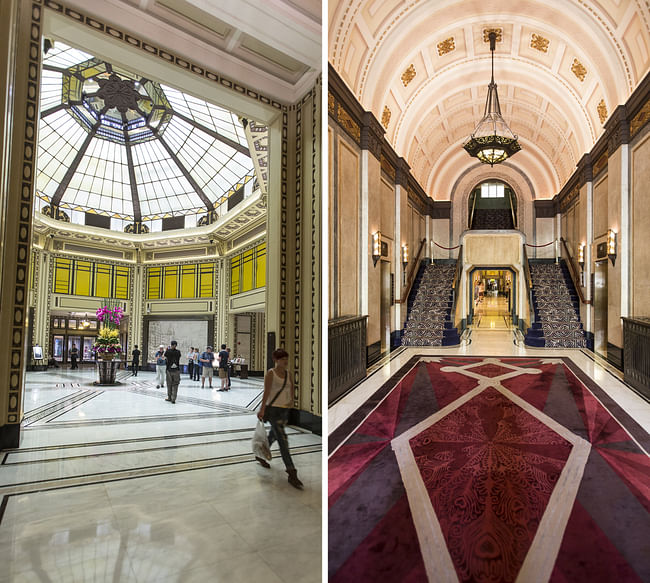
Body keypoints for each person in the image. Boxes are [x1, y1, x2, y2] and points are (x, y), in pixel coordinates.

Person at [257, 349, 303, 489]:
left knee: (274, 435)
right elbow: (266, 392)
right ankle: (291, 472)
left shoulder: (288, 374)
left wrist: (292, 402)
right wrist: (262, 408)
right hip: (273, 410)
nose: (285, 361)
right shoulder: (271, 374)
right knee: (283, 441)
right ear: (275, 360)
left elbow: (292, 388)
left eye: (286, 358)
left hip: (284, 409)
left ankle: (260, 453)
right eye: (282, 359)